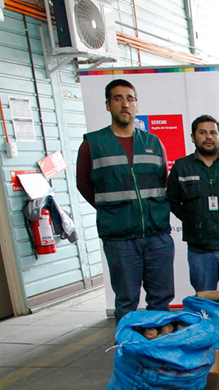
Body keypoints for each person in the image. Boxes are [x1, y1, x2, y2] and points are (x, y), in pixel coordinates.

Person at [77, 78, 173, 322]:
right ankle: (128, 343)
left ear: (136, 105)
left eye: (130, 98)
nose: (125, 104)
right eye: (118, 98)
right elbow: (84, 185)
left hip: (156, 235)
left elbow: (163, 180)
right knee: (126, 300)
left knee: (161, 297)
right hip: (120, 238)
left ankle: (159, 340)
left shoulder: (153, 142)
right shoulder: (93, 144)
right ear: (108, 105)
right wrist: (113, 212)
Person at [166, 115, 219, 292]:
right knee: (204, 299)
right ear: (193, 137)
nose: (209, 137)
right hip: (199, 249)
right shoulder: (181, 167)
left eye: (213, 133)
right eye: (202, 133)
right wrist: (193, 220)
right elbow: (172, 201)